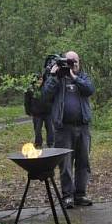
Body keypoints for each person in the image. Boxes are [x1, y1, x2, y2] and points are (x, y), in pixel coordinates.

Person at [43, 51, 95, 207]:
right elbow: (46, 95)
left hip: (83, 127)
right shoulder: (57, 79)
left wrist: (74, 77)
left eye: (76, 61)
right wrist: (53, 75)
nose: (74, 64)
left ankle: (80, 194)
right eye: (70, 61)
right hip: (63, 128)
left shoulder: (83, 77)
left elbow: (90, 89)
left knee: (83, 162)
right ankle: (67, 196)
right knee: (65, 164)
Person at [24, 73, 54, 148]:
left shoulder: (46, 87)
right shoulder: (30, 89)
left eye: (40, 79)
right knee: (37, 130)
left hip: (48, 112)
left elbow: (52, 97)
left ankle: (51, 143)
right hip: (37, 113)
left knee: (50, 128)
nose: (39, 81)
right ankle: (38, 143)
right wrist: (28, 111)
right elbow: (27, 101)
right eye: (37, 80)